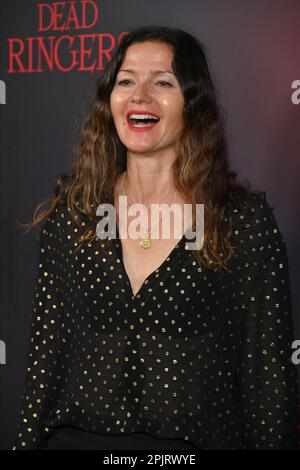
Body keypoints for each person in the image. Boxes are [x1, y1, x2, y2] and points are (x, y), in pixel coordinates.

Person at [12, 25, 299, 450]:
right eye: (126, 80)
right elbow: (43, 364)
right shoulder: (73, 218)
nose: (139, 95)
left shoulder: (241, 223)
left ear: (193, 103)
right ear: (109, 100)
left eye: (162, 81)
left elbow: (268, 384)